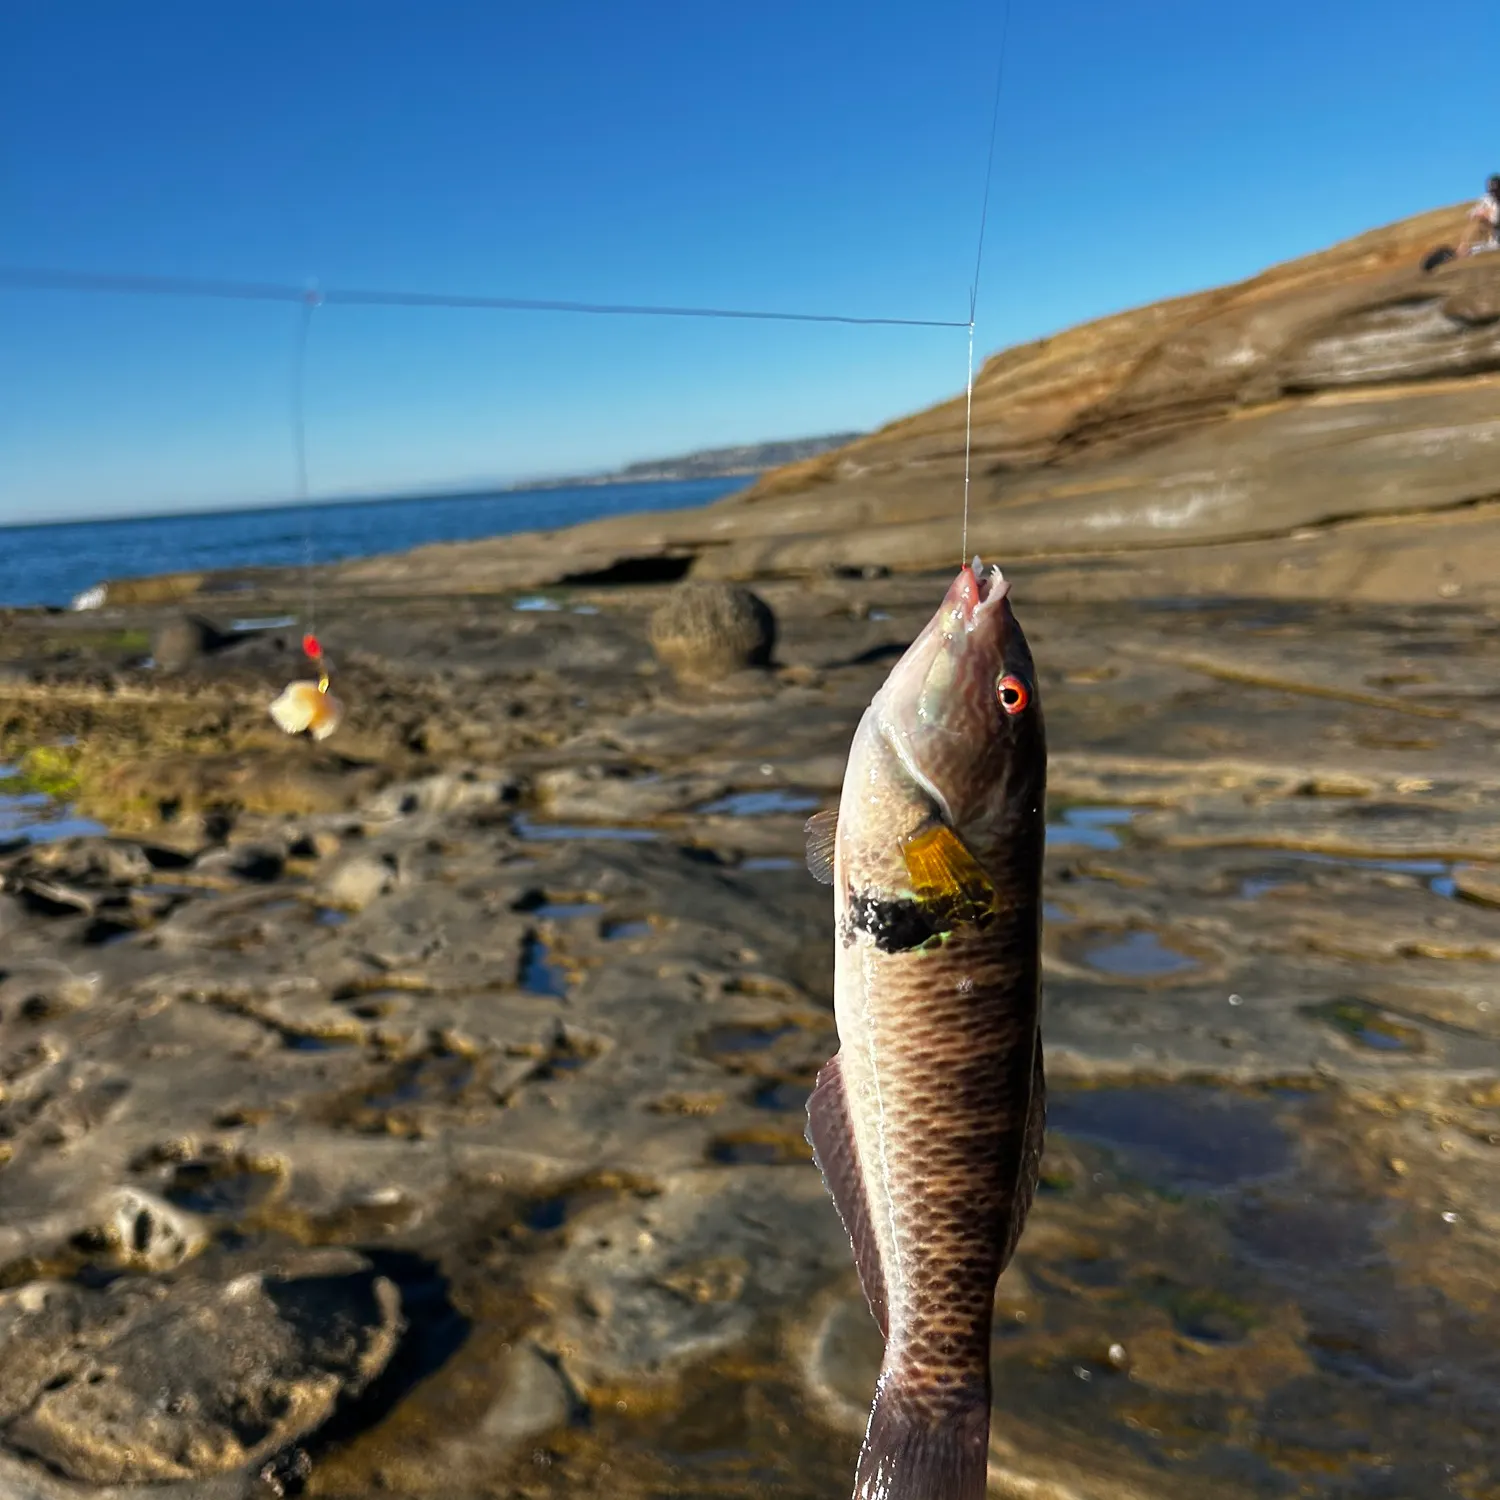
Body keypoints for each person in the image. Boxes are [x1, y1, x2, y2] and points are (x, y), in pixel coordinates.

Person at [1457, 175, 1500, 256]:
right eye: (1492, 192)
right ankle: (1464, 247)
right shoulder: (1488, 199)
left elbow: (1495, 220)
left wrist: (1485, 214)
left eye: (1496, 191)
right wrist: (1477, 212)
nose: (1494, 194)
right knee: (1472, 250)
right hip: (1494, 239)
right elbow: (1472, 213)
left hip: (1497, 241)